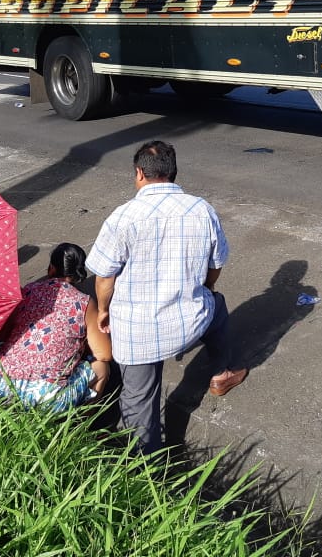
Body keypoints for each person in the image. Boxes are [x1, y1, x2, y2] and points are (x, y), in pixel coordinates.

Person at [87, 140, 247, 454]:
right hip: (190, 321)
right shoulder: (201, 209)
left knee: (139, 399)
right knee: (218, 307)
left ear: (139, 174)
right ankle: (221, 373)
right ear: (173, 173)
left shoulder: (124, 217)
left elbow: (104, 277)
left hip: (139, 334)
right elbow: (215, 265)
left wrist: (104, 310)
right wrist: (207, 289)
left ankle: (143, 469)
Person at [0, 243, 113, 412]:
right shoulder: (84, 302)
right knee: (101, 367)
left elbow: (5, 334)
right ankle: (80, 427)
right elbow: (104, 354)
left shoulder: (27, 291)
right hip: (44, 396)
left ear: (51, 269)